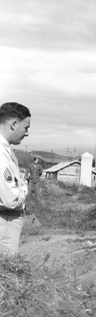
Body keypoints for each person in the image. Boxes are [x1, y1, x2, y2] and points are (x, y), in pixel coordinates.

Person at [0, 102, 31, 255]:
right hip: (4, 222)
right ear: (14, 124)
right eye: (26, 128)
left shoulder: (6, 150)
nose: (27, 133)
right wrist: (24, 189)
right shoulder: (1, 153)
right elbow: (10, 199)